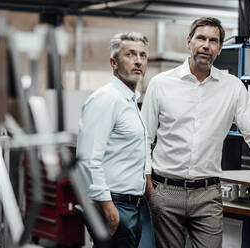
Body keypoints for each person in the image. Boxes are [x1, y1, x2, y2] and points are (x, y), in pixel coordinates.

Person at [141, 17, 250, 248]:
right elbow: (144, 139)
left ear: (220, 49)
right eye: (201, 38)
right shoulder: (160, 84)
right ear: (189, 42)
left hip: (207, 194)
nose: (206, 45)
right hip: (166, 190)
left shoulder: (232, 87)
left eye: (213, 41)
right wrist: (149, 190)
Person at [76, 32, 149, 248]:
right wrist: (110, 211)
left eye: (143, 56)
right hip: (114, 204)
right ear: (113, 62)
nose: (138, 61)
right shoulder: (106, 99)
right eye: (131, 54)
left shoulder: (129, 101)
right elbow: (88, 159)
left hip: (130, 206)